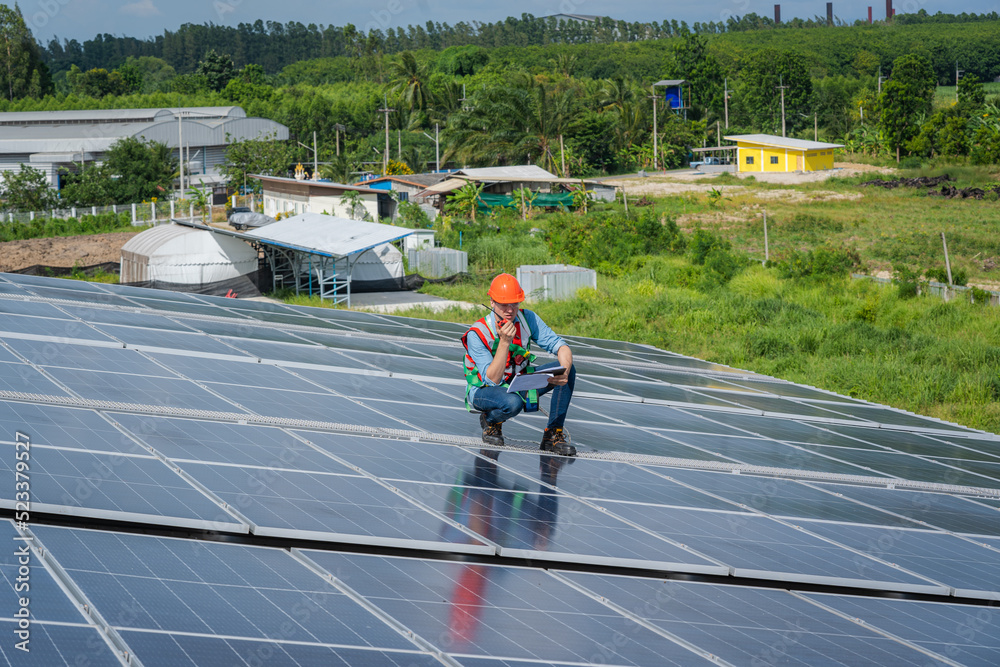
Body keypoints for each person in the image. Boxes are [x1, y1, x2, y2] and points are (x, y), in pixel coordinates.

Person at [461, 273, 577, 456]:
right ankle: (491, 421)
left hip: (519, 382)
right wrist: (504, 342)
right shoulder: (478, 333)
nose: (510, 309)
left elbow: (561, 347)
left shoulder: (527, 319)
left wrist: (564, 370)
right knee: (513, 403)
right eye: (503, 304)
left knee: (566, 370)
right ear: (491, 302)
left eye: (514, 303)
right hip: (485, 391)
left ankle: (553, 434)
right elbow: (492, 379)